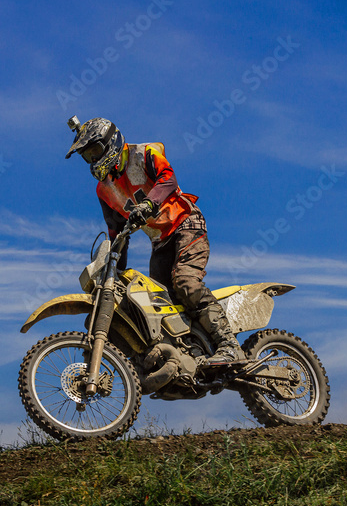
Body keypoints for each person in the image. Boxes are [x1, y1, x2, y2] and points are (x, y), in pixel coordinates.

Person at [65, 116, 244, 365]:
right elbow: (116, 230)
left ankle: (229, 344)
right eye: (88, 156)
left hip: (186, 224)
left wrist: (150, 203)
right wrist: (112, 271)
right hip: (160, 241)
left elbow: (168, 179)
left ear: (111, 142)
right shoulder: (103, 190)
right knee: (157, 302)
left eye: (95, 151)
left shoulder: (143, 154)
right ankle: (189, 353)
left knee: (185, 282)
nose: (94, 160)